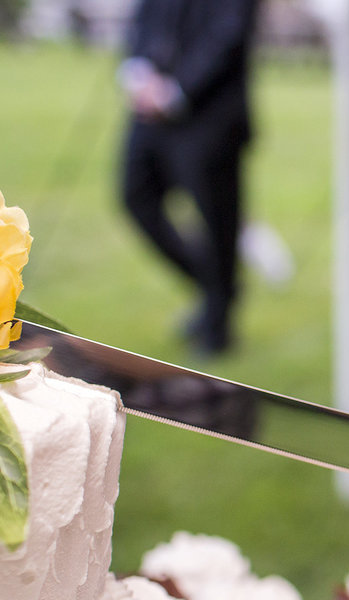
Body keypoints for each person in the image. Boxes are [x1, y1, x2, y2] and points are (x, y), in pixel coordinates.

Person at [119, 0, 260, 356]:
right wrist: (140, 73)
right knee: (136, 196)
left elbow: (229, 35)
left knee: (217, 221)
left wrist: (176, 90)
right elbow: (145, 20)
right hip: (149, 113)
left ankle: (217, 327)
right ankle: (218, 289)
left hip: (210, 116)